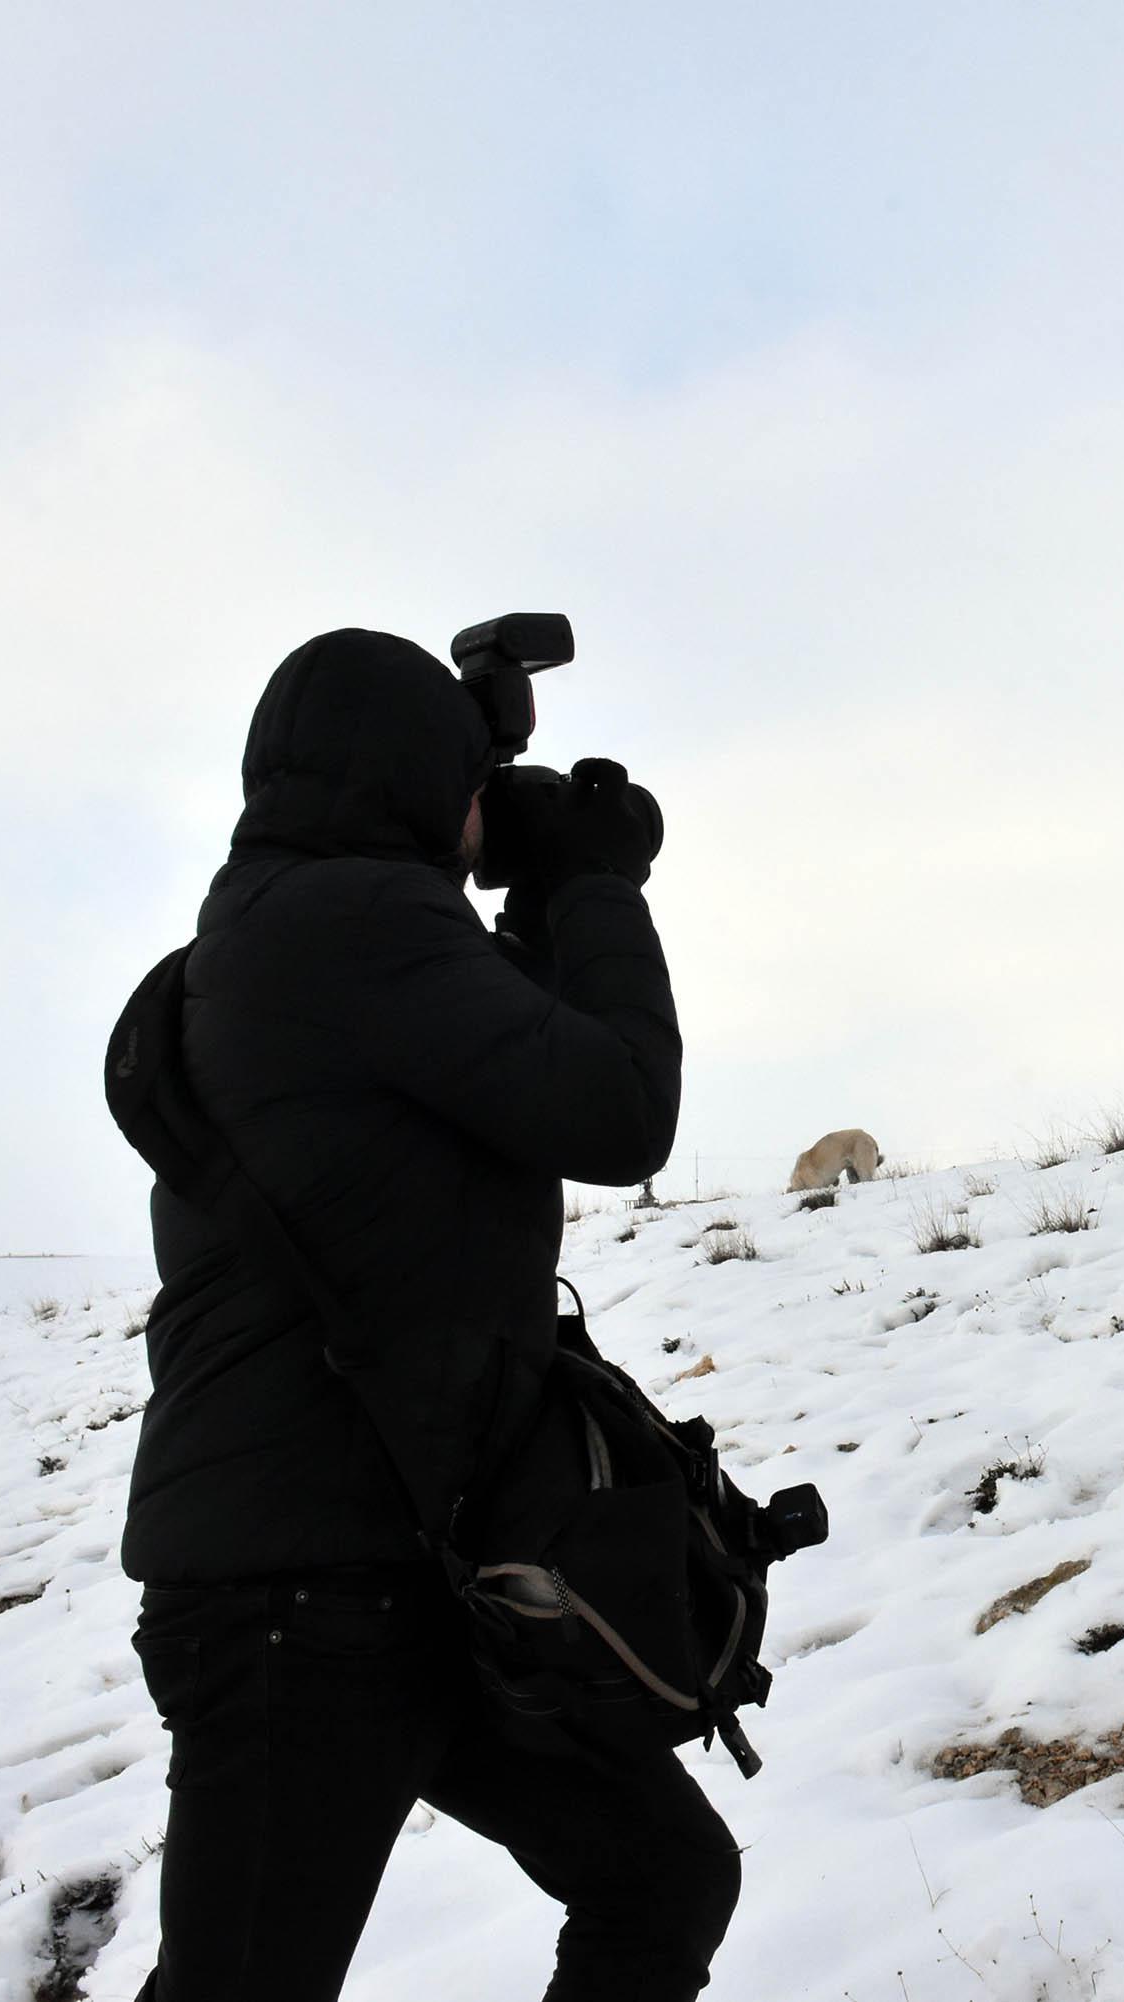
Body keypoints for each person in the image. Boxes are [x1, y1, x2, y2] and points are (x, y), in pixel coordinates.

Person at [121, 628, 734, 2000]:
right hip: (299, 1597)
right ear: (413, 780)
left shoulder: (305, 937)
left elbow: (505, 1053)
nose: (483, 814)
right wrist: (590, 882)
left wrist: (527, 891)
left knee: (663, 1875)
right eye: (471, 781)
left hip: (396, 1573)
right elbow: (619, 1108)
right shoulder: (349, 925)